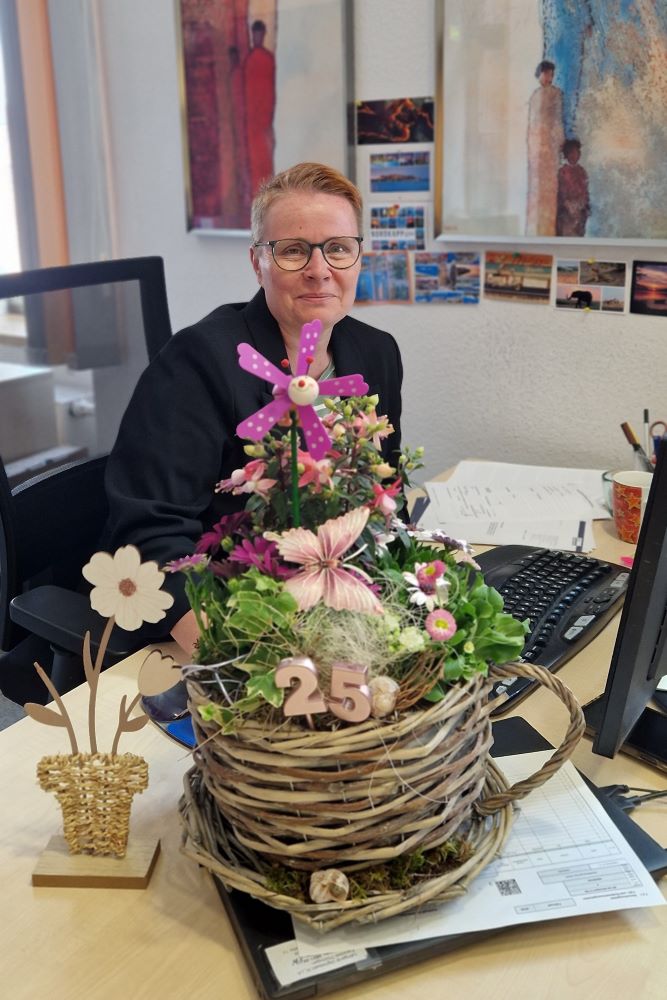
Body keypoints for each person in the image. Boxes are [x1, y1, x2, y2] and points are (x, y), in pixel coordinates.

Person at [103, 162, 403, 656]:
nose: (319, 270)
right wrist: (246, 659)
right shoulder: (197, 363)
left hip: (333, 604)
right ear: (257, 262)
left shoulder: (376, 353)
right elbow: (151, 537)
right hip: (226, 613)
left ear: (357, 258)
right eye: (293, 251)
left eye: (338, 248)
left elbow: (384, 493)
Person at [525, 60, 565, 236]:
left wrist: (558, 142)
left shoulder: (556, 94)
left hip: (550, 146)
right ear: (539, 74)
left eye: (551, 74)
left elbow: (557, 121)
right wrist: (531, 146)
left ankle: (548, 231)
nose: (548, 77)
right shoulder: (534, 96)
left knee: (549, 188)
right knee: (535, 187)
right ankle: (533, 230)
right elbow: (531, 124)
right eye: (546, 73)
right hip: (535, 148)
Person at [243, 19, 276, 194]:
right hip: (251, 122)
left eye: (260, 34)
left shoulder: (268, 59)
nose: (257, 37)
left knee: (265, 160)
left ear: (263, 35)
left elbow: (270, 92)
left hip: (264, 121)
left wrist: (268, 122)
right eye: (255, 34)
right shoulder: (249, 60)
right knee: (254, 161)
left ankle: (266, 195)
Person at [556, 138, 590, 237]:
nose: (576, 155)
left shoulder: (582, 171)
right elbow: (562, 193)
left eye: (578, 152)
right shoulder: (563, 171)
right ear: (567, 154)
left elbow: (585, 191)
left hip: (580, 212)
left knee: (579, 236)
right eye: (573, 152)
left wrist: (583, 205)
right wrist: (570, 207)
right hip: (567, 213)